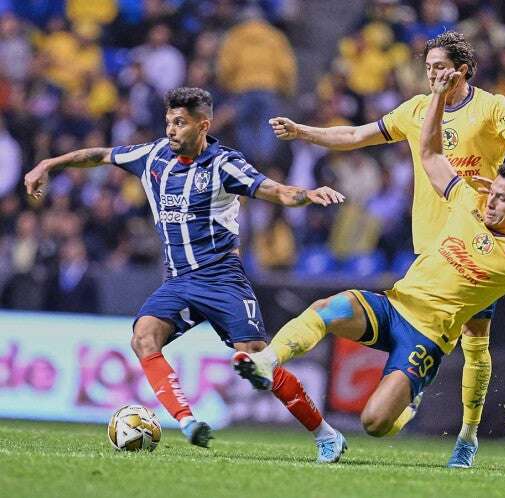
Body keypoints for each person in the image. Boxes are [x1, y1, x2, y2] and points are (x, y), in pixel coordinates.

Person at [234, 70, 505, 469]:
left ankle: (461, 433)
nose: (491, 201)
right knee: (329, 307)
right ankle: (268, 361)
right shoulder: (467, 198)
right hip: (395, 306)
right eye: (493, 192)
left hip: (427, 336)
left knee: (376, 422)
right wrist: (435, 95)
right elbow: (429, 152)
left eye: (503, 199)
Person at [24, 87, 348, 463]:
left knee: (259, 360)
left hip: (223, 278)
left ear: (203, 125)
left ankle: (327, 435)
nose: (171, 130)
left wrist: (307, 194)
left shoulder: (224, 163)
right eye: (168, 122)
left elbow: (274, 191)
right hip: (178, 282)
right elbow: (100, 155)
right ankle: (188, 421)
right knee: (143, 336)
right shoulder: (152, 156)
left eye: (180, 123)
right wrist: (48, 163)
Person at [268, 31, 505, 467]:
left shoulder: (492, 107)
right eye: (428, 67)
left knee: (476, 341)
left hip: (475, 245)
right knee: (412, 328)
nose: (432, 74)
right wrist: (304, 132)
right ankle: (409, 389)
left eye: (440, 67)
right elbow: (357, 134)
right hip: (429, 247)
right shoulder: (416, 110)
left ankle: (468, 437)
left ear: (462, 70)